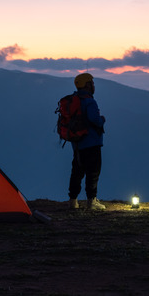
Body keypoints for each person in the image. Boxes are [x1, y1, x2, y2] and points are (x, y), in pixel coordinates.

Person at [68, 73, 106, 211]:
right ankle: (92, 201)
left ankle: (73, 201)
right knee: (93, 172)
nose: (94, 85)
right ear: (87, 85)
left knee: (77, 171)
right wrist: (102, 119)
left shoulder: (73, 100)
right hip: (92, 142)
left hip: (77, 144)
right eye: (92, 83)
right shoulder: (89, 101)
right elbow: (94, 119)